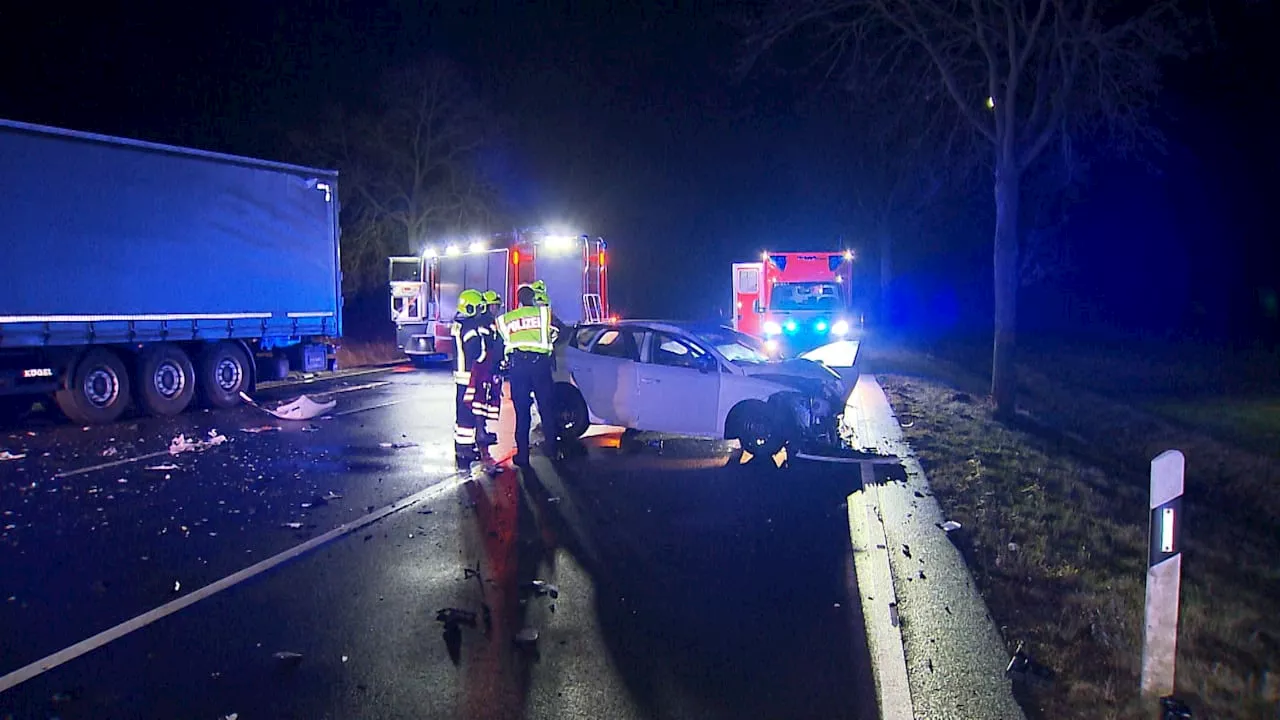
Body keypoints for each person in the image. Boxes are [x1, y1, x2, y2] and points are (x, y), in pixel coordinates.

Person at [496, 283, 559, 466]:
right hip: (540, 366)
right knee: (546, 409)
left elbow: (499, 345)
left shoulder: (507, 319)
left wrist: (496, 369)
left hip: (518, 368)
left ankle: (522, 456)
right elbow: (560, 332)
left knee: (522, 412)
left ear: (519, 300)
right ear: (532, 298)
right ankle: (552, 450)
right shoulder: (544, 314)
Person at [451, 289, 487, 465]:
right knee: (467, 413)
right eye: (478, 308)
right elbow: (476, 352)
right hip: (469, 374)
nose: (480, 311)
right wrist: (483, 358)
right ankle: (464, 449)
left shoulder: (459, 323)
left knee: (462, 411)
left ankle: (463, 445)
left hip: (461, 374)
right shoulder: (469, 327)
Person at [469, 290, 505, 464]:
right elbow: (489, 345)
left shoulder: (487, 321)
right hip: (485, 367)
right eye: (495, 305)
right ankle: (480, 432)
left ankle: (482, 430)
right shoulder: (485, 322)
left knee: (485, 399)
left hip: (488, 365)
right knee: (481, 399)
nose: (497, 308)